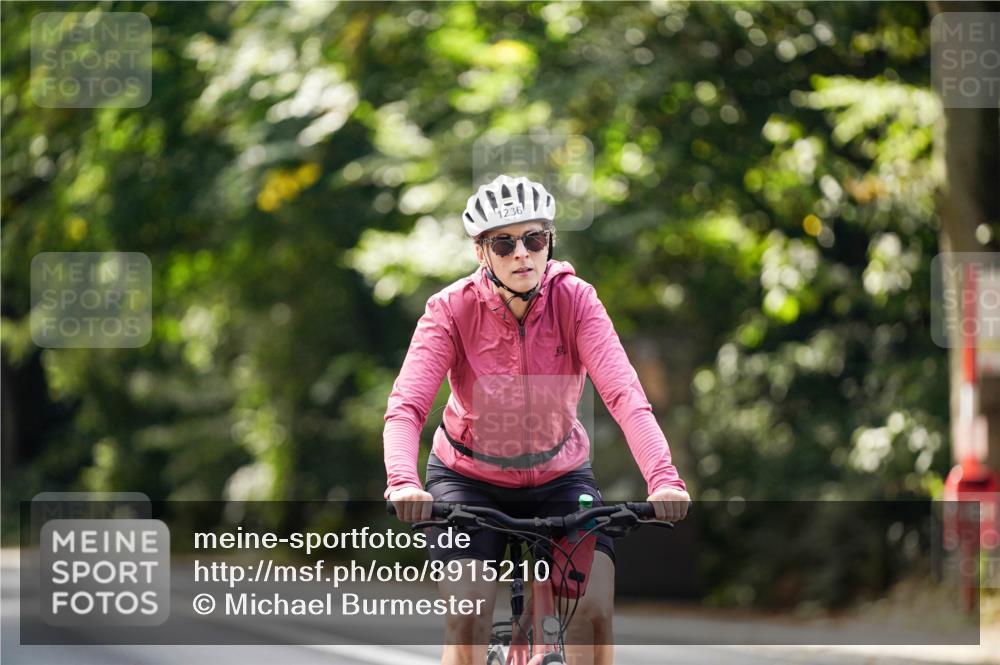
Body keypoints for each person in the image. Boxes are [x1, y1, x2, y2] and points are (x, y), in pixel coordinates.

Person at [384, 174, 690, 665]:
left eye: (534, 239)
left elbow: (624, 394)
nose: (521, 254)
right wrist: (403, 482)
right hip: (468, 481)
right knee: (467, 616)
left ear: (550, 241)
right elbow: (407, 407)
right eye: (504, 243)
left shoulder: (576, 301)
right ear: (481, 253)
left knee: (592, 611)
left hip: (560, 476)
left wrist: (664, 480)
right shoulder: (449, 310)